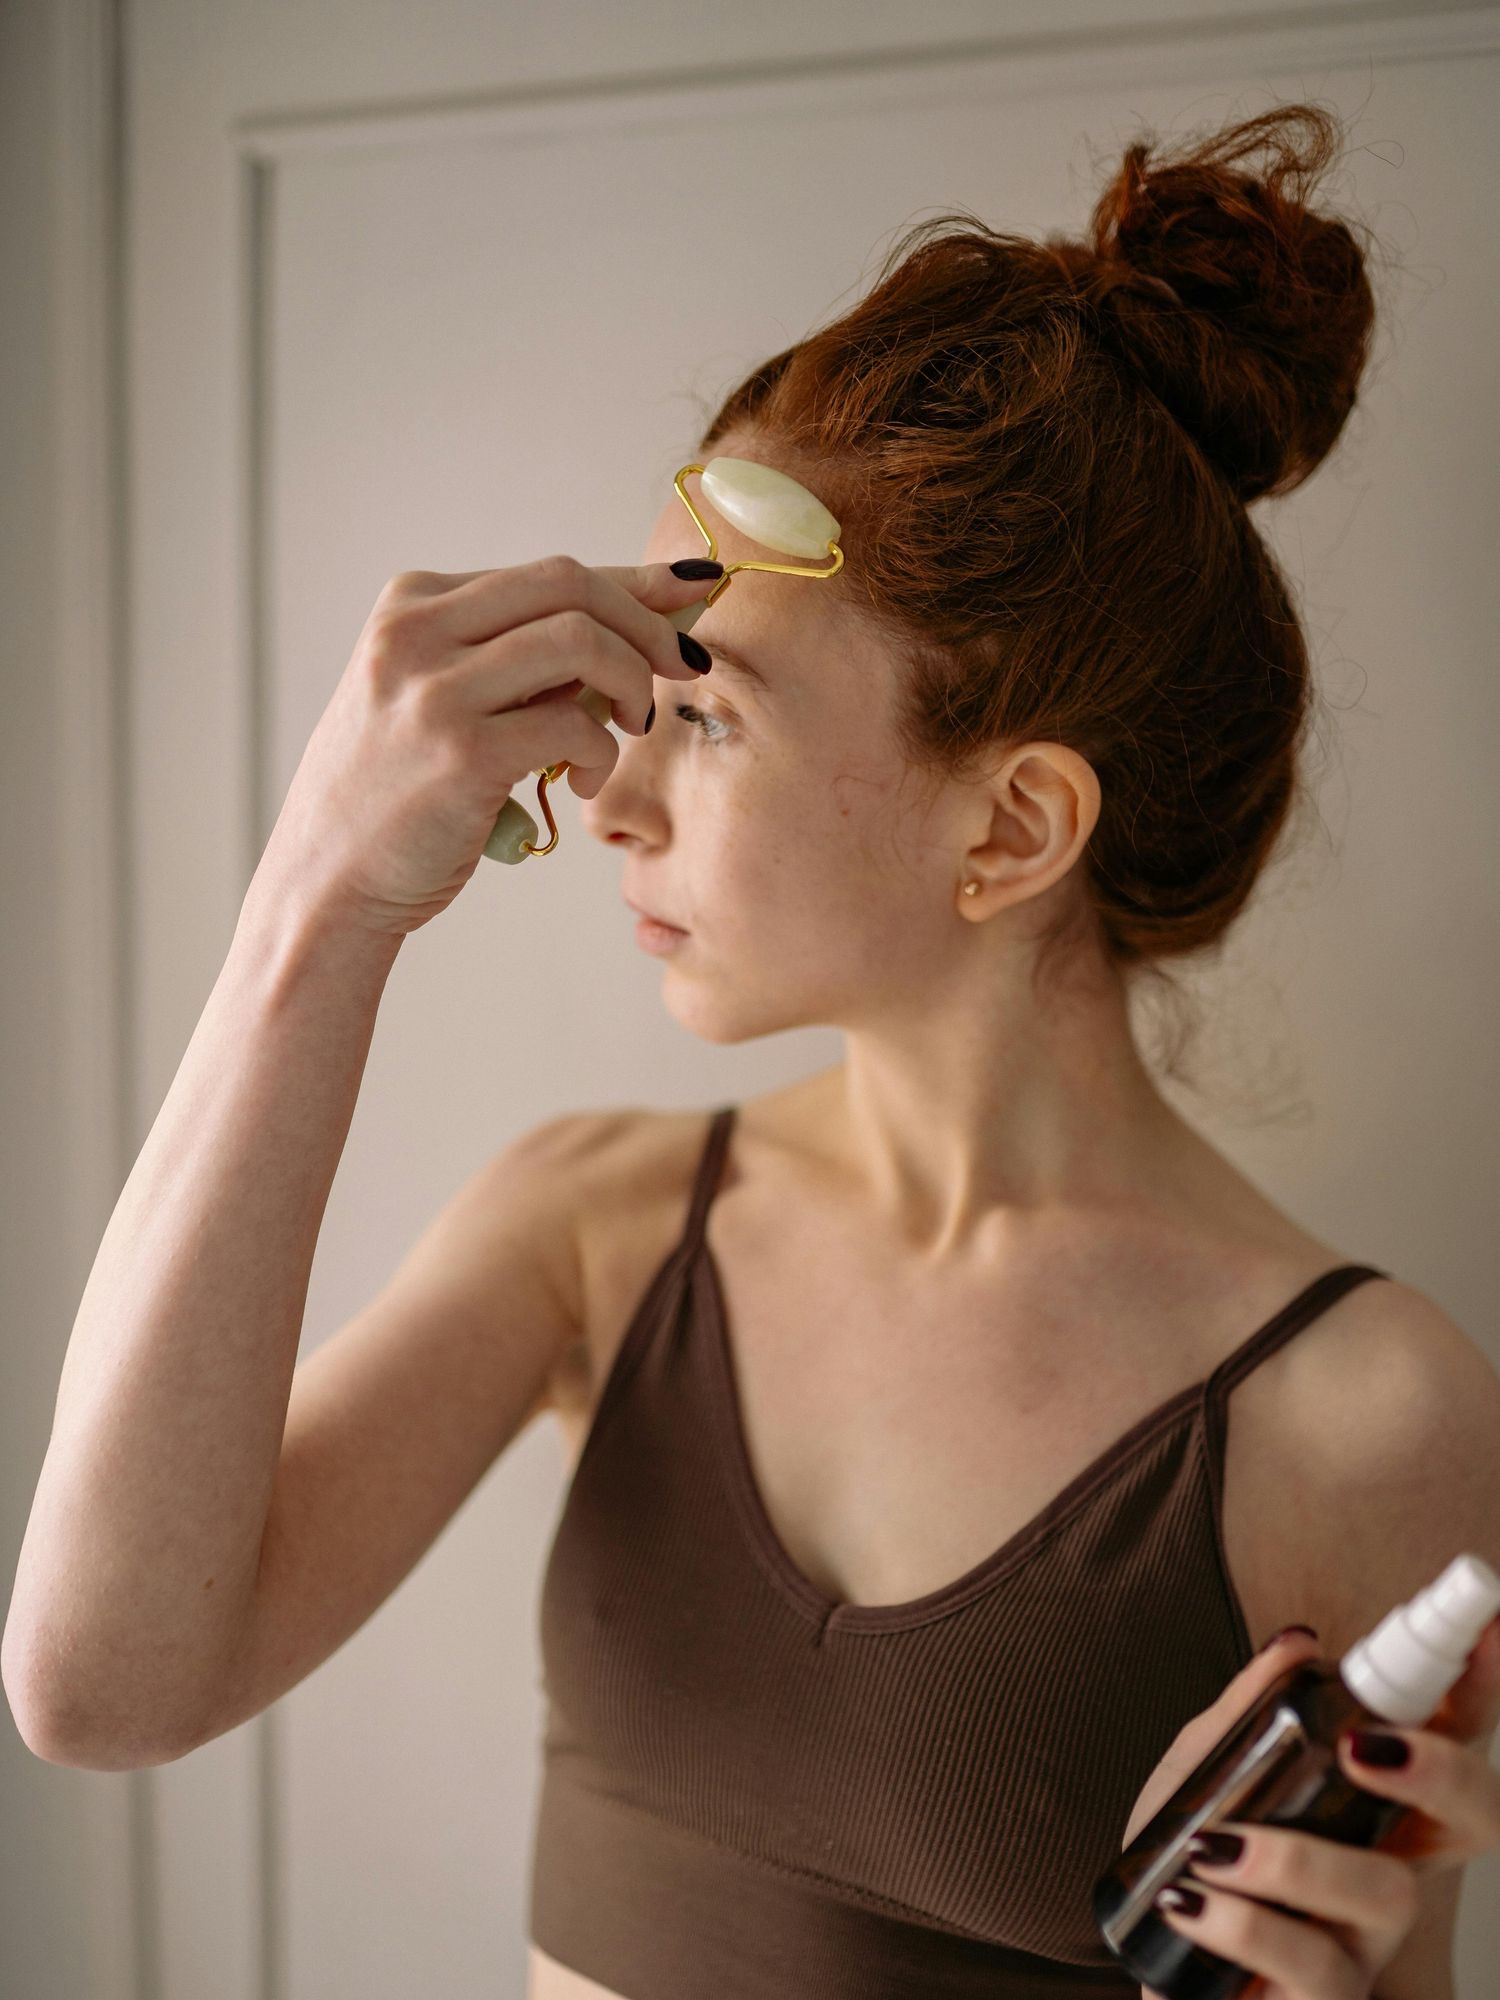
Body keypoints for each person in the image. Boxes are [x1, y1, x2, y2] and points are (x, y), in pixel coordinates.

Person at [7, 98, 1498, 2000]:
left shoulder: (1369, 1419)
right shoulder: (597, 1228)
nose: (609, 790)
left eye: (704, 713)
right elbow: (102, 1683)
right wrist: (322, 902)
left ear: (1014, 831)